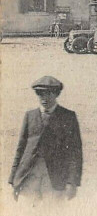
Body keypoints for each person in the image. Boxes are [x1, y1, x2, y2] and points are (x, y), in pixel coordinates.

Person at [9, 76, 82, 204]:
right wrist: (13, 179)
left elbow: (75, 153)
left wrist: (72, 182)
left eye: (48, 94)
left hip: (55, 178)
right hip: (29, 176)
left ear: (56, 94)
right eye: (40, 94)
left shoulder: (68, 117)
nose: (44, 98)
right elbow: (20, 149)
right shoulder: (30, 116)